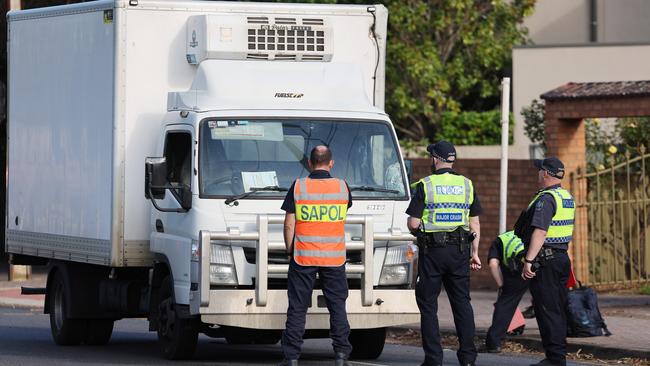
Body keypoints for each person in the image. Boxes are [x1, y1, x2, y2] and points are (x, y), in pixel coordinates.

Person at [406, 140, 482, 366]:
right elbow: (474, 223)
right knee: (462, 303)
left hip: (433, 252)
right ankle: (468, 358)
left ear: (436, 159)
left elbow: (413, 223)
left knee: (428, 304)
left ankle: (434, 359)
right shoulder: (467, 185)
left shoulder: (425, 184)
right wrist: (474, 253)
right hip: (460, 251)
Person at [278, 145, 353, 366]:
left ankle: (291, 357)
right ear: (331, 163)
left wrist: (290, 249)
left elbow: (289, 223)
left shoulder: (299, 186)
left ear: (310, 163)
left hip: (303, 257)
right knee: (337, 306)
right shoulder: (342, 187)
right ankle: (341, 355)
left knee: (298, 307)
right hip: (334, 258)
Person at [515, 157, 575, 366]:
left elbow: (540, 232)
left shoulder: (546, 199)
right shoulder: (566, 196)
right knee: (556, 309)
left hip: (546, 261)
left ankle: (555, 359)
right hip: (560, 259)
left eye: (539, 170)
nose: (537, 173)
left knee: (547, 310)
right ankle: (556, 356)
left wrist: (528, 260)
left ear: (546, 173)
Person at [485, 230, 529, 353]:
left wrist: (501, 285)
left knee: (506, 303)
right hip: (536, 263)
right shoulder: (528, 233)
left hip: (516, 269)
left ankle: (494, 343)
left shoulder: (500, 240)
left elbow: (493, 265)